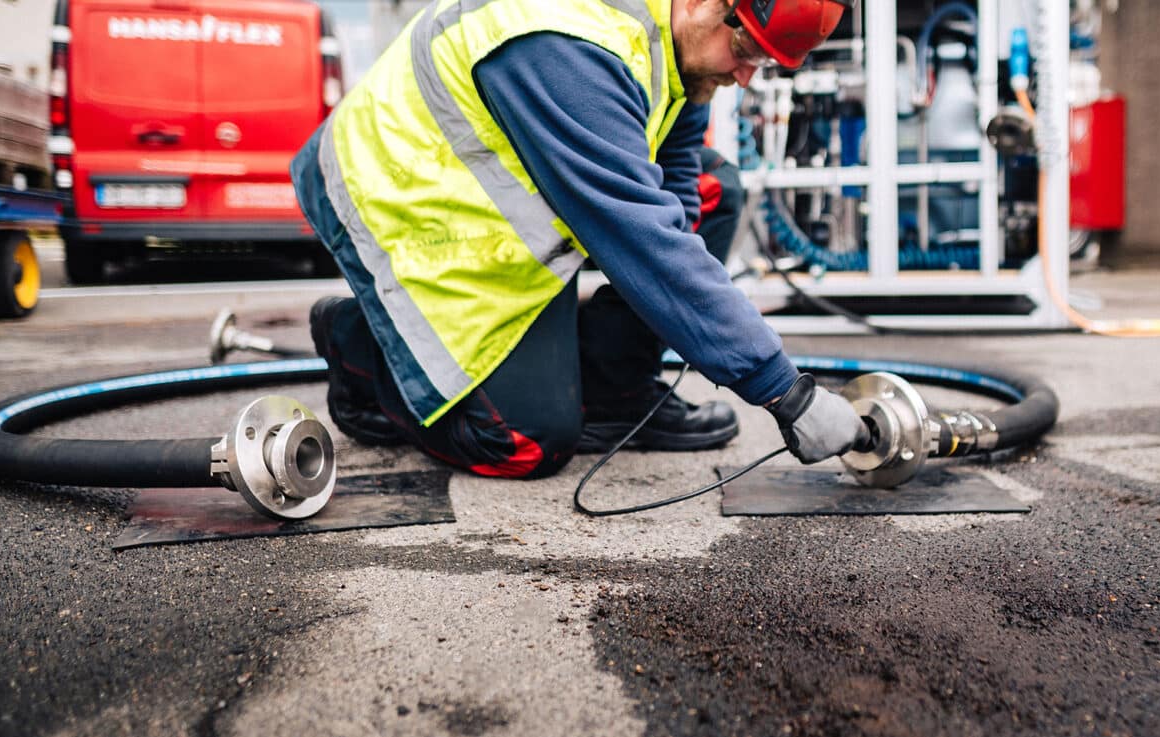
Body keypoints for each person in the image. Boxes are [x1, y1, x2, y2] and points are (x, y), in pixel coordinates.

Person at [289, 0, 863, 479]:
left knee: (715, 191)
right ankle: (358, 344)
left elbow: (677, 188)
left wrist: (684, 321)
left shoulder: (674, 49)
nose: (746, 75)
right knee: (523, 443)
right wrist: (785, 393)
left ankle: (617, 392)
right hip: (405, 196)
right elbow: (640, 238)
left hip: (498, 201)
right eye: (744, 53)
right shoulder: (570, 47)